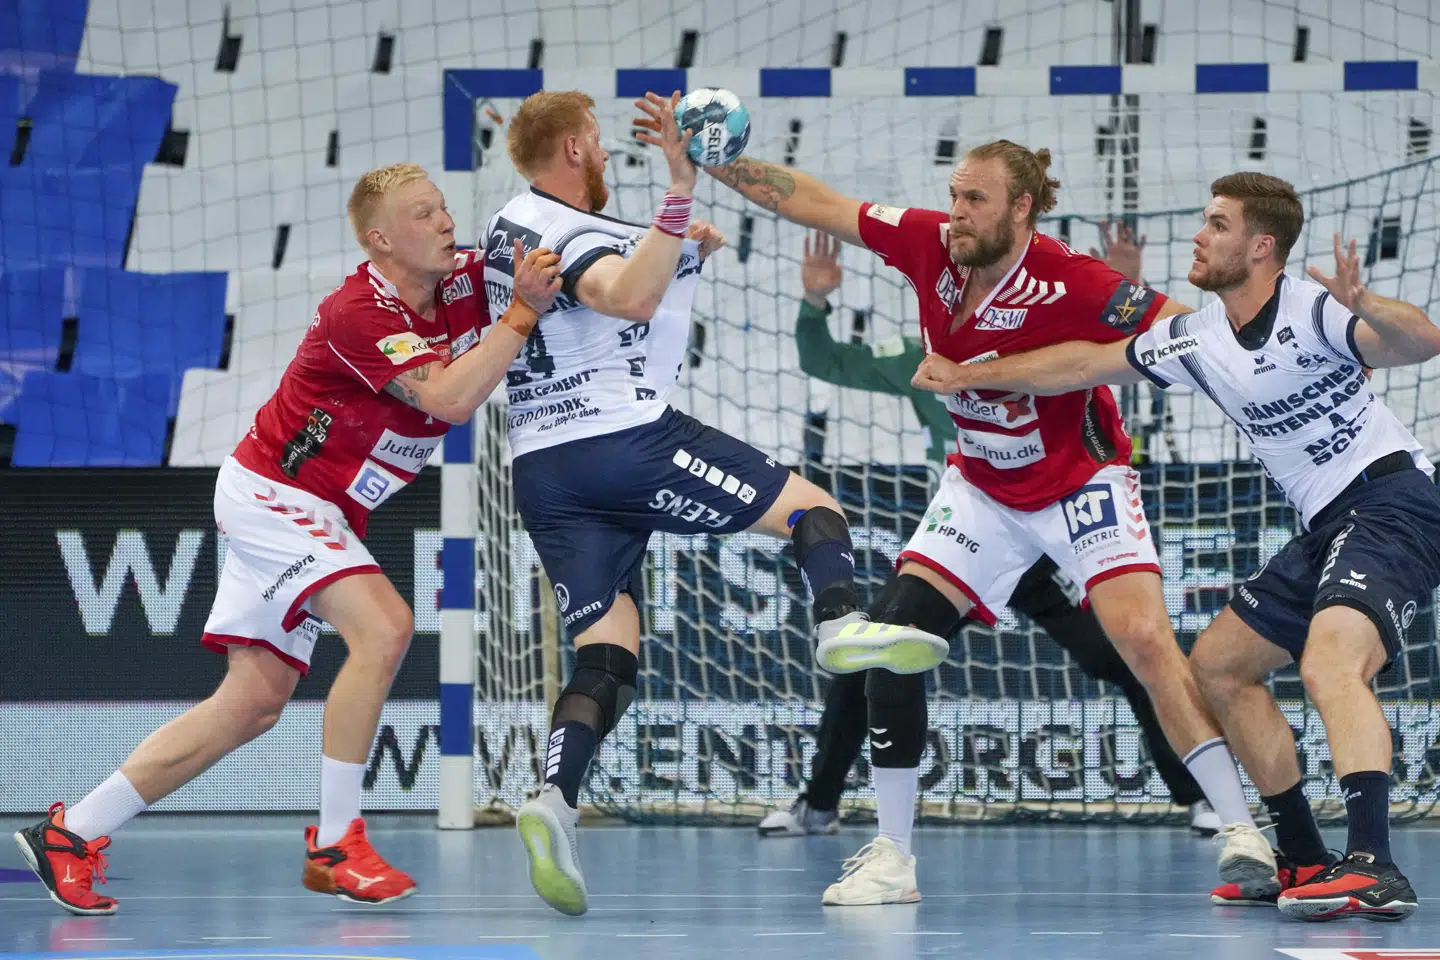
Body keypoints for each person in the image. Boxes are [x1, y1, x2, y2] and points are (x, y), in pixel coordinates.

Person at [708, 139, 1266, 907]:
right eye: (955, 195)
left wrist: (1295, 360)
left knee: (1141, 642)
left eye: (976, 200)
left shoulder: (1072, 280)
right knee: (893, 641)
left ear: (1021, 207)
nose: (958, 213)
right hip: (982, 490)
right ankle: (892, 858)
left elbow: (1192, 332)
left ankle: (1240, 828)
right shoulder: (929, 243)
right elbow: (818, 202)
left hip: (1081, 484)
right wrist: (715, 161)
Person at [14, 163, 563, 916]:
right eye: (423, 214)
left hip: (324, 509)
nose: (445, 222)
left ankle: (69, 833)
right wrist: (522, 315)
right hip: (276, 495)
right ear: (380, 240)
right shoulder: (357, 312)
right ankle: (337, 844)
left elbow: (571, 266)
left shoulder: (466, 278)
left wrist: (671, 234)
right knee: (386, 628)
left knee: (250, 705)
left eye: (442, 208)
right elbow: (448, 399)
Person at [913, 172, 1440, 921]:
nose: (1198, 235)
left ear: (1261, 247)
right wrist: (970, 373)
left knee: (1330, 664)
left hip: (1392, 503)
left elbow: (1420, 343)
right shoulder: (1197, 336)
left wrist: (1368, 305)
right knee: (1219, 667)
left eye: (1217, 225)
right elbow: (1080, 363)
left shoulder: (1312, 309)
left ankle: (1373, 866)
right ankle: (1301, 857)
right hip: (1325, 523)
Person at [479, 90, 949, 918]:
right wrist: (679, 185)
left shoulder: (509, 229)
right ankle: (840, 623)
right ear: (577, 147)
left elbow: (628, 313)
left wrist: (682, 254)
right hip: (621, 441)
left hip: (544, 468)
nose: (605, 154)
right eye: (597, 141)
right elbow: (627, 299)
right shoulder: (560, 227)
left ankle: (555, 796)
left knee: (606, 654)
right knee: (813, 511)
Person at [759, 230, 1219, 838]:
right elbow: (825, 362)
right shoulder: (924, 354)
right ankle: (820, 805)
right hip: (974, 531)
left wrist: (1124, 286)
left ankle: (1202, 798)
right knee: (875, 650)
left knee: (1127, 653)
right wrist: (816, 301)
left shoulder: (1054, 338)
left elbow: (1132, 349)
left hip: (1049, 533)